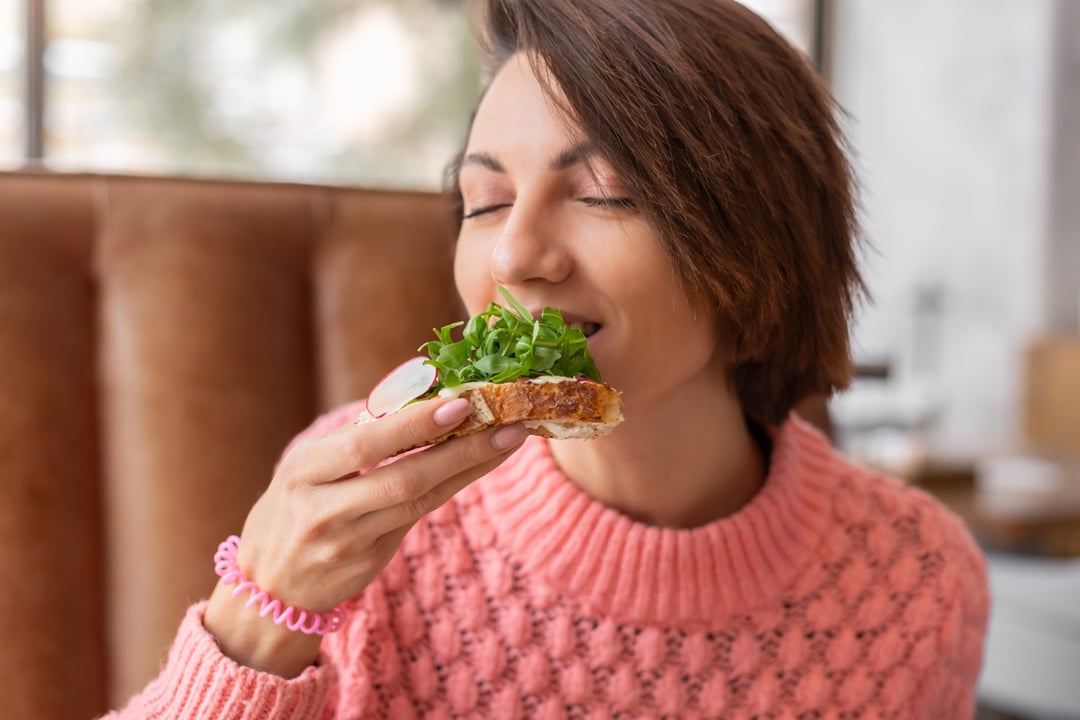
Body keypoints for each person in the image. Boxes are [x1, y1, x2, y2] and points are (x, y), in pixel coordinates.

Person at [104, 0, 989, 717]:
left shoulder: (916, 584)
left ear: (756, 242)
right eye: (483, 202)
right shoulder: (359, 517)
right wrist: (261, 616)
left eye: (604, 192)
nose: (514, 254)